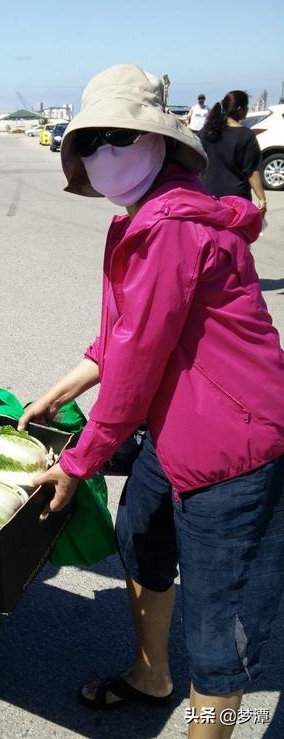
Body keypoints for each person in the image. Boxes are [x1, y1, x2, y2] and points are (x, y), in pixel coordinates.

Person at [19, 64, 284, 739]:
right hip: (175, 433)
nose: (105, 151)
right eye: (93, 138)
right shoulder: (141, 218)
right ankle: (149, 673)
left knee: (218, 636)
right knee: (141, 541)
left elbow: (136, 363)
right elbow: (121, 338)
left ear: (160, 140)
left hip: (232, 445)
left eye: (121, 134)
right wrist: (59, 390)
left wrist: (78, 460)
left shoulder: (170, 226)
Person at [200, 90, 266, 215]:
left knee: (208, 233)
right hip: (235, 200)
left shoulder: (206, 131)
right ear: (240, 109)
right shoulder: (246, 135)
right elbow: (251, 171)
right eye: (247, 106)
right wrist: (262, 198)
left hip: (206, 195)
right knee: (233, 234)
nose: (247, 109)